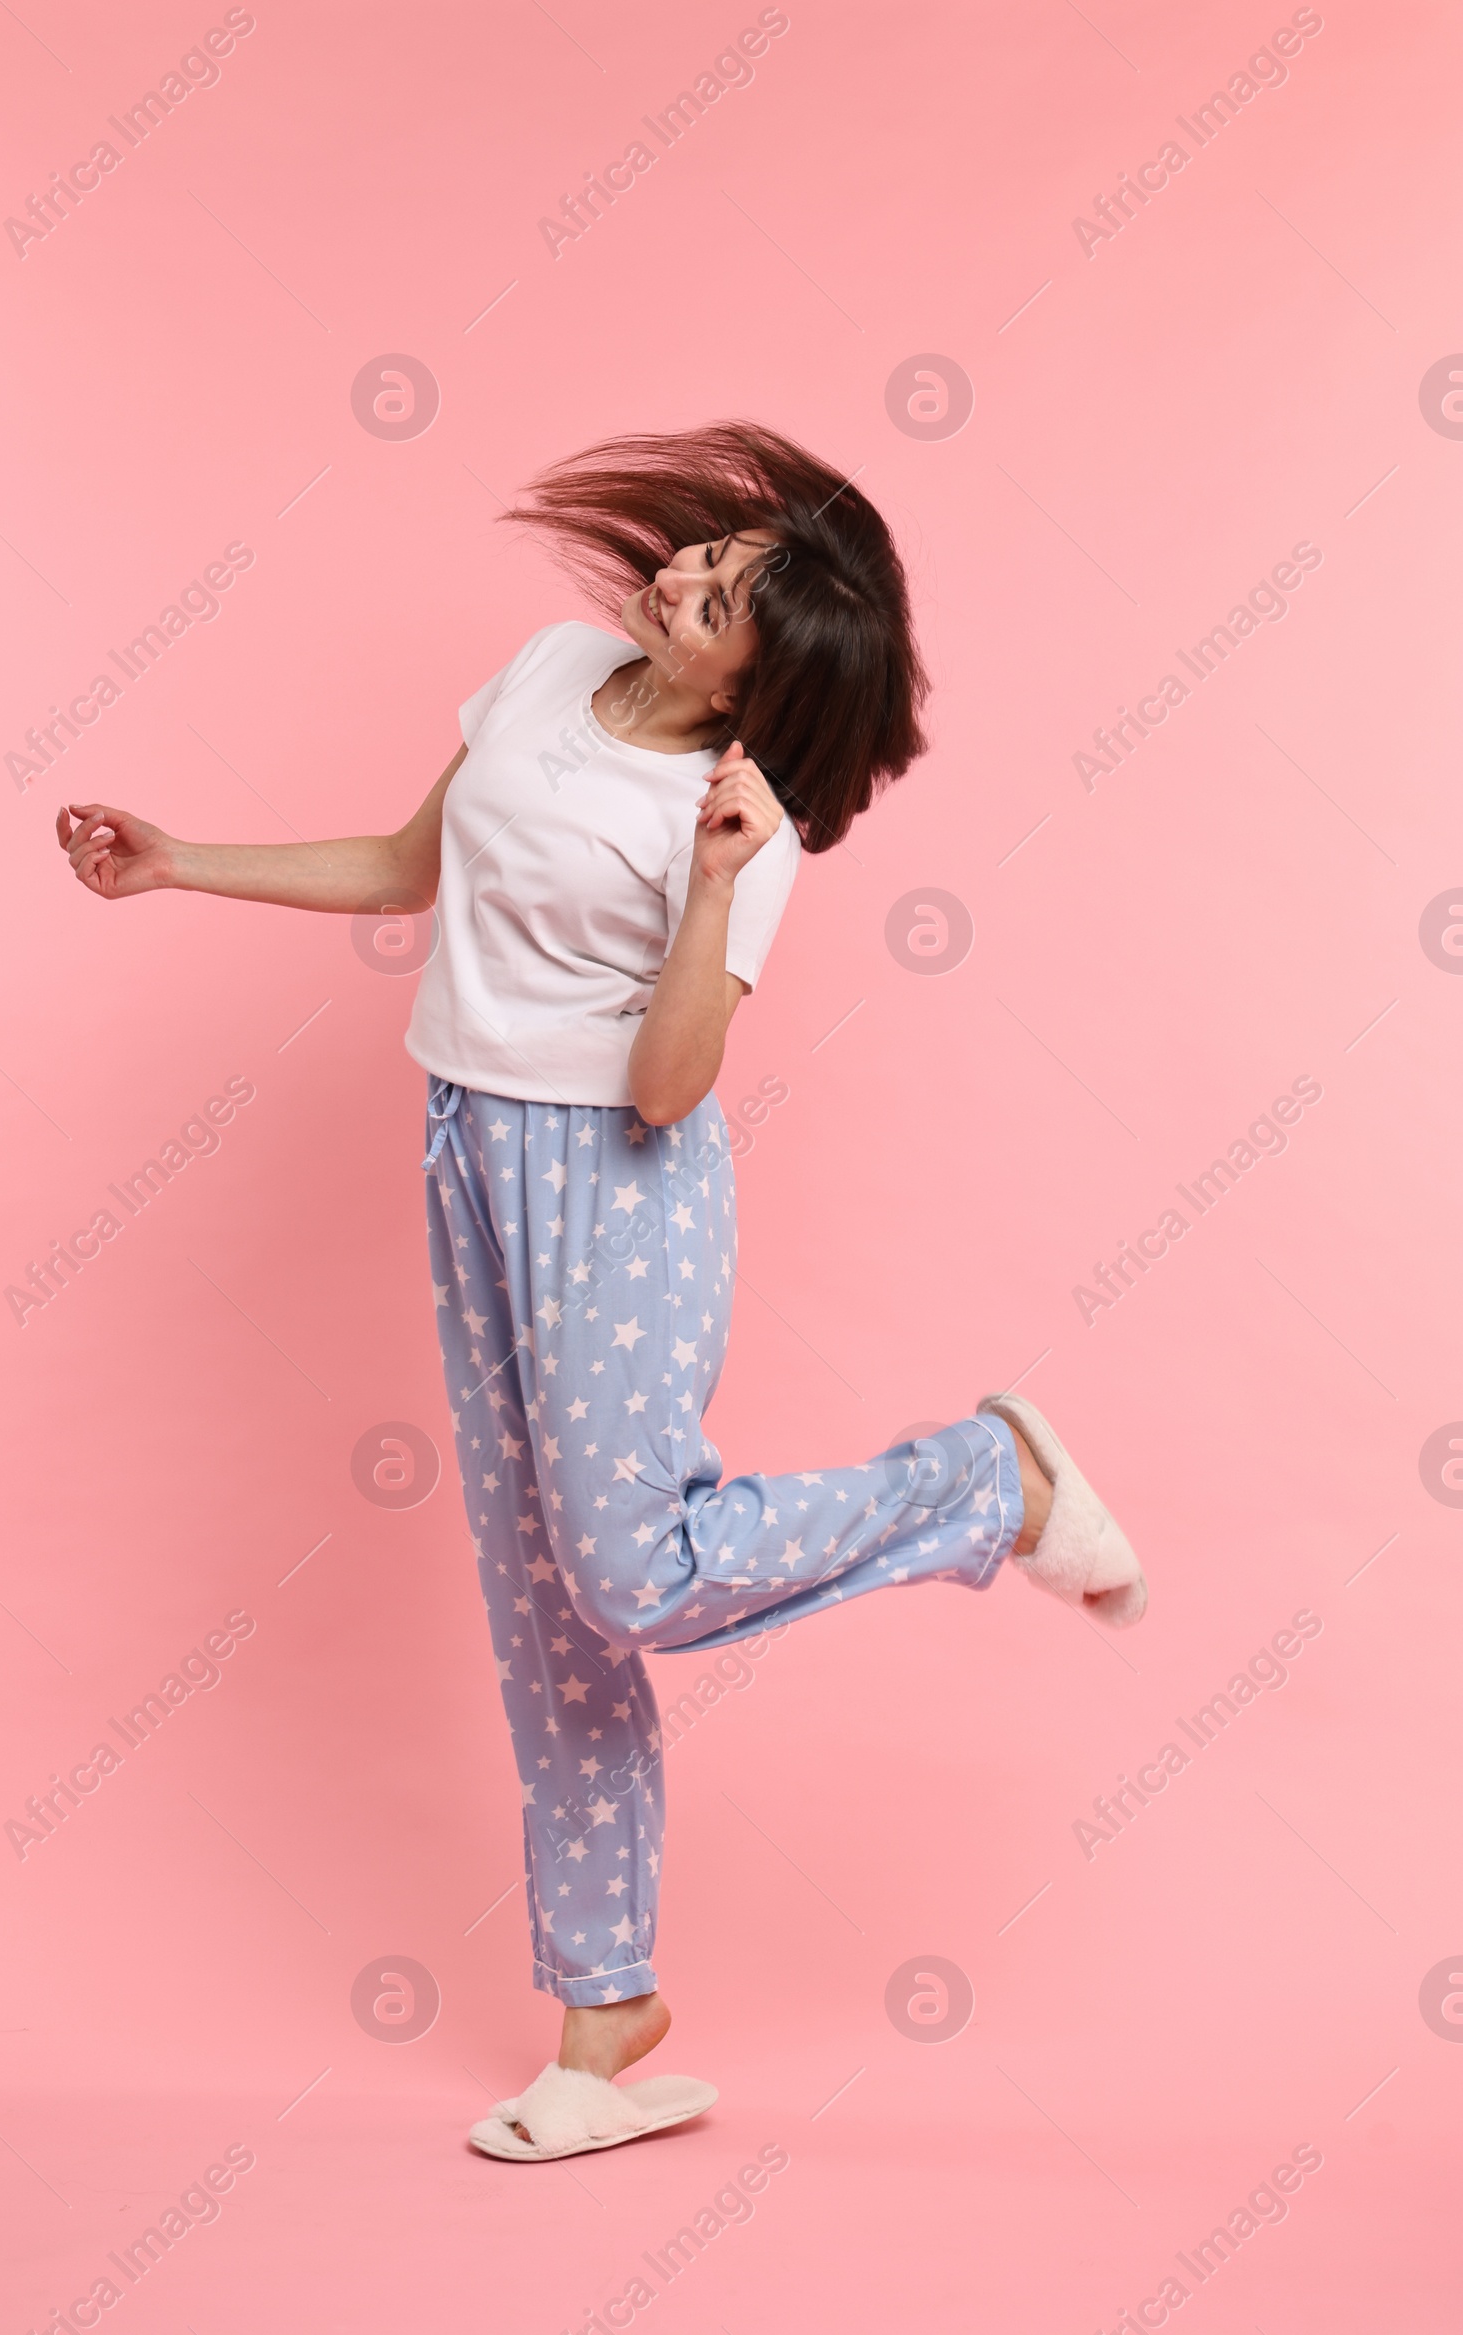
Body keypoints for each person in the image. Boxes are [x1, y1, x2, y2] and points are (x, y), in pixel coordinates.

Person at [57, 422, 1147, 2163]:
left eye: (721, 598)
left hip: (615, 1184)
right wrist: (185, 862)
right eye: (709, 559)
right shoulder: (556, 667)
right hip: (466, 1151)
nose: (681, 577)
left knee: (632, 1568)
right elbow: (412, 870)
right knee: (545, 1606)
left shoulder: (742, 821)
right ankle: (604, 2012)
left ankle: (981, 1481)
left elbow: (663, 1092)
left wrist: (713, 888)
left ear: (760, 685)